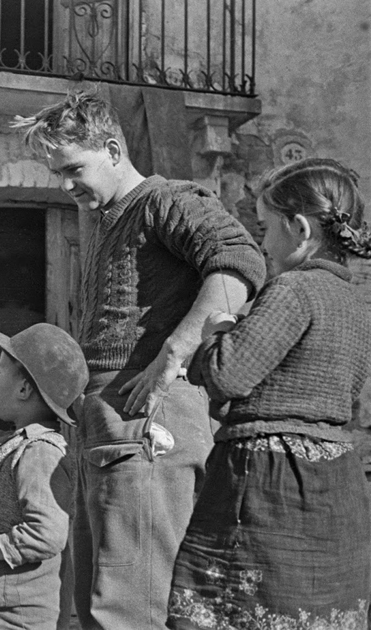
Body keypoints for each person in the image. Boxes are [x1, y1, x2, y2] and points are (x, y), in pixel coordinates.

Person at [15, 90, 266, 629]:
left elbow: (241, 264)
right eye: (57, 171)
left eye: (74, 168)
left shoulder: (166, 200)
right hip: (111, 423)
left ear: (111, 148)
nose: (66, 184)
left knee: (133, 604)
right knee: (101, 599)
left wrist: (174, 354)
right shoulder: (111, 220)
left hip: (147, 419)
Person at [167, 159, 371, 628]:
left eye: (264, 227)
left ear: (299, 229)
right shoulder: (357, 307)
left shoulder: (293, 291)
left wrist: (216, 334)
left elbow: (226, 375)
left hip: (270, 481)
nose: (260, 242)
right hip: (334, 481)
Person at [0, 323, 89, 630]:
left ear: (24, 389)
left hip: (20, 618)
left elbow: (47, 533)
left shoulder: (40, 454)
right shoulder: (11, 445)